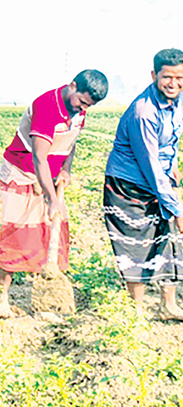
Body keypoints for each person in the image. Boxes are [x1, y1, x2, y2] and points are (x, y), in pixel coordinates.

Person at [0, 69, 109, 318]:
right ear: (72, 86)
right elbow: (39, 157)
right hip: (22, 170)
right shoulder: (47, 107)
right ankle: (2, 298)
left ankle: (43, 297)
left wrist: (66, 170)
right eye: (81, 101)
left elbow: (71, 142)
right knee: (16, 232)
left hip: (51, 175)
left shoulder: (80, 110)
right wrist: (52, 198)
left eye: (88, 105)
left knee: (50, 234)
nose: (83, 108)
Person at [104, 48, 183, 321]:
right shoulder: (143, 111)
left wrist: (172, 165)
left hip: (159, 178)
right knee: (136, 243)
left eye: (180, 78)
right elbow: (148, 163)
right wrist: (176, 206)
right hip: (129, 185)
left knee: (169, 238)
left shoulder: (179, 100)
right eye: (167, 78)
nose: (174, 84)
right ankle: (136, 311)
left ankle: (168, 304)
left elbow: (170, 141)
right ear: (154, 76)